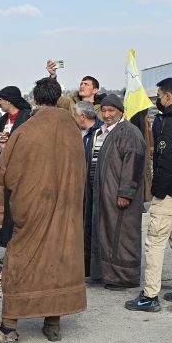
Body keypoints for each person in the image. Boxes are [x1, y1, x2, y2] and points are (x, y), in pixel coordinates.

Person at [0, 77, 86, 343]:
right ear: (58, 98)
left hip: (32, 211)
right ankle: (52, 324)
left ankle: (8, 329)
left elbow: (5, 173)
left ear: (36, 100)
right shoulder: (73, 131)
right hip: (66, 211)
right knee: (57, 262)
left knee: (20, 262)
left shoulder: (26, 130)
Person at [126, 77, 172, 312]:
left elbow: (167, 160)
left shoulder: (169, 122)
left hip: (170, 194)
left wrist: (158, 191)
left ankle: (150, 295)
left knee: (155, 243)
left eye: (158, 96)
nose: (157, 100)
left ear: (167, 96)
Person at [87, 94, 147, 290]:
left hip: (120, 196)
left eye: (111, 110)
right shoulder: (104, 132)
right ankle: (105, 274)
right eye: (103, 111)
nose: (106, 115)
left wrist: (125, 193)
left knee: (121, 235)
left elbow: (133, 164)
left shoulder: (129, 132)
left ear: (121, 112)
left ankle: (123, 277)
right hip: (106, 193)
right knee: (106, 233)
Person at [74, 100, 102, 276]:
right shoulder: (76, 132)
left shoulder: (101, 132)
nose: (73, 118)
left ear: (83, 117)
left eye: (75, 115)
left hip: (94, 187)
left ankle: (93, 267)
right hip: (80, 188)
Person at [0, 85, 32, 166]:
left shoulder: (28, 119)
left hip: (22, 166)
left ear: (8, 101)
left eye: (1, 99)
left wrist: (8, 148)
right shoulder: (1, 121)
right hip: (4, 166)